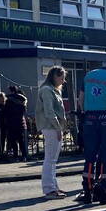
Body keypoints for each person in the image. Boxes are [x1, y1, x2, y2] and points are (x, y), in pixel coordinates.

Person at [76, 56, 106, 203]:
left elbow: (80, 100)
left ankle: (88, 190)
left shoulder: (88, 76)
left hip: (90, 119)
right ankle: (104, 189)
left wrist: (84, 116)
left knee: (90, 156)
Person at [36, 66, 68, 199]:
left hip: (51, 126)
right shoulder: (48, 90)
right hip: (51, 127)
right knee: (50, 159)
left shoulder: (50, 90)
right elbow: (50, 112)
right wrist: (58, 128)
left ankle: (53, 186)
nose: (63, 80)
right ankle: (49, 189)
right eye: (62, 77)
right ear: (55, 76)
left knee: (52, 159)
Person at [4, 85, 28, 161]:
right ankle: (24, 156)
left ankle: (16, 156)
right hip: (20, 122)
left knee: (13, 141)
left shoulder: (8, 100)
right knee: (21, 140)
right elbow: (24, 110)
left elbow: (6, 111)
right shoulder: (22, 99)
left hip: (11, 122)